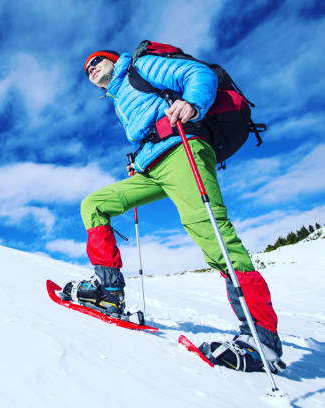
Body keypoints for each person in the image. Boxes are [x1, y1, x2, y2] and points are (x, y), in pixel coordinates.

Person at [62, 48, 284, 371]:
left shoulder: (139, 67)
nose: (92, 68)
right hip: (153, 168)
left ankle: (262, 338)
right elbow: (149, 130)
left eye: (97, 60)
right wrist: (139, 162)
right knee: (94, 205)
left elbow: (199, 75)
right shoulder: (118, 98)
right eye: (87, 69)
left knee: (210, 232)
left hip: (183, 150)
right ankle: (109, 291)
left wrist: (191, 103)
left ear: (113, 59)